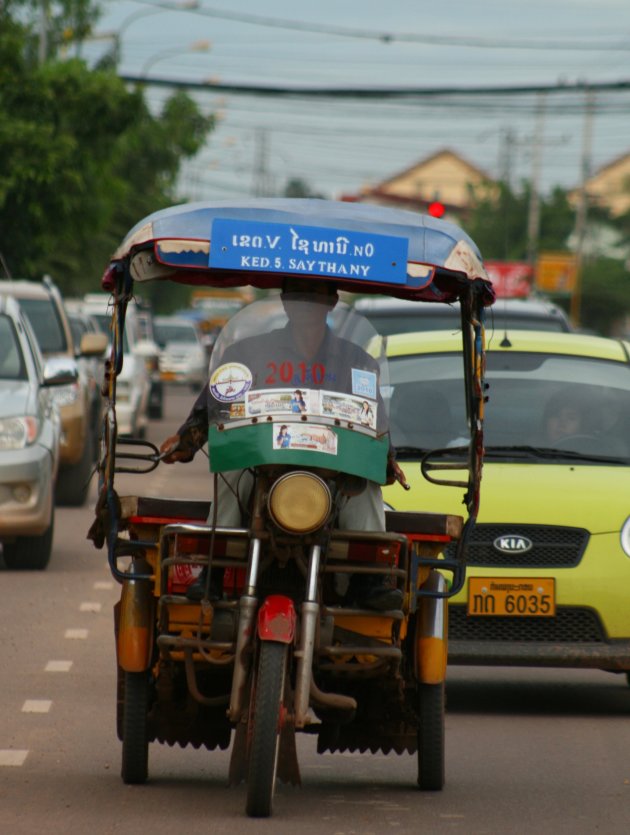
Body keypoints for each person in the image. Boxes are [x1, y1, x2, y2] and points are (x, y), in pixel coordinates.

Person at [161, 278, 406, 610]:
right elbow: (217, 401)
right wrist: (187, 441)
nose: (306, 305)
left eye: (315, 296)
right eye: (298, 296)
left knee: (366, 487)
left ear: (332, 301)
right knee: (230, 474)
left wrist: (386, 458)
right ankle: (212, 574)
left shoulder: (356, 361)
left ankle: (370, 580)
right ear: (285, 300)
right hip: (263, 461)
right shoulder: (247, 353)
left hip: (330, 468)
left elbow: (374, 420)